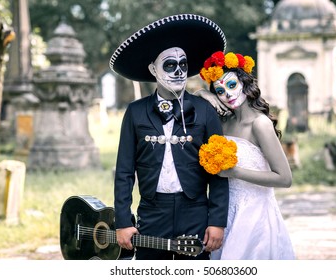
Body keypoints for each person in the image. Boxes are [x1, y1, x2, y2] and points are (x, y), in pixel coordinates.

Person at [109, 14, 229, 260]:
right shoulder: (135, 112)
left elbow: (219, 171)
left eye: (183, 65)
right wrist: (122, 220)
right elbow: (123, 171)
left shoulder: (205, 110)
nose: (178, 72)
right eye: (170, 65)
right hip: (152, 211)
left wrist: (217, 220)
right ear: (154, 69)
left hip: (195, 211)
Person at [195, 51, 295, 260]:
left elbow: (285, 178)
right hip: (227, 213)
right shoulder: (224, 123)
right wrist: (205, 94)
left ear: (245, 83)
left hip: (256, 215)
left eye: (232, 85)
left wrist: (236, 172)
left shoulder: (260, 124)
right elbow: (196, 96)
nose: (228, 94)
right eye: (220, 91)